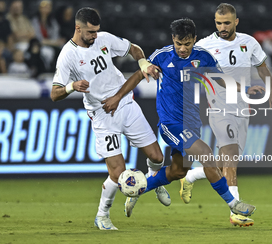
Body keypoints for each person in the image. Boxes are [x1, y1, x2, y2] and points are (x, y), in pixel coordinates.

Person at [102, 18, 262, 220]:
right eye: (179, 44)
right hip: (170, 123)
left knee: (179, 171)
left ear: (195, 39)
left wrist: (245, 89)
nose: (183, 49)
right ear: (173, 39)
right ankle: (233, 204)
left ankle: (139, 188)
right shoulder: (162, 56)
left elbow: (220, 79)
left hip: (192, 123)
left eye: (187, 44)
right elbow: (138, 75)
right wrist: (117, 97)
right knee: (206, 153)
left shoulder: (204, 57)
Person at [50, 7, 171, 231]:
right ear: (78, 28)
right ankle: (102, 215)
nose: (95, 35)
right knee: (117, 173)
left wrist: (142, 62)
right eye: (90, 32)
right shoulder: (68, 55)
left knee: (157, 157)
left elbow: (133, 48)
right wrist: (72, 86)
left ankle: (149, 180)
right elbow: (54, 93)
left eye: (96, 31)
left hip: (125, 103)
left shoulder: (104, 39)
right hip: (102, 114)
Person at [179, 3, 272, 227]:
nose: (222, 27)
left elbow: (263, 68)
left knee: (227, 162)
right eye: (218, 23)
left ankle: (193, 175)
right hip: (218, 108)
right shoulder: (204, 46)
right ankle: (236, 211)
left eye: (227, 22)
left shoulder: (249, 42)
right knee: (231, 158)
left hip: (242, 108)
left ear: (236, 22)